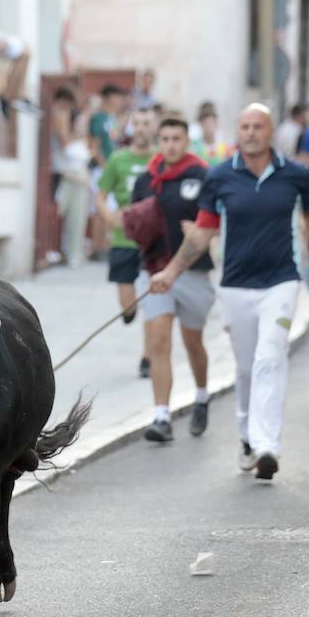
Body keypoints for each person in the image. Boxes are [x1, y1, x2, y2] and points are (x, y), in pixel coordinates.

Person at [149, 104, 309, 481]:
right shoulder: (220, 177)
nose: (250, 133)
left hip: (281, 281)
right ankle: (248, 438)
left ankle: (268, 445)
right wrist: (170, 271)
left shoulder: (294, 174)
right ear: (239, 131)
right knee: (247, 367)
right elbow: (201, 232)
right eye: (244, 126)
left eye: (258, 126)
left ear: (270, 132)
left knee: (270, 357)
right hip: (234, 285)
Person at [130, 118, 214, 442]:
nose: (170, 145)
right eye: (164, 138)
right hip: (153, 271)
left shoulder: (203, 175)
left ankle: (203, 395)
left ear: (186, 141)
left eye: (176, 138)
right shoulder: (146, 180)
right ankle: (161, 416)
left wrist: (205, 232)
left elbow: (217, 220)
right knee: (159, 342)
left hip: (193, 272)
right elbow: (135, 219)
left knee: (194, 342)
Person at [97, 107, 157, 376]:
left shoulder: (160, 158)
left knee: (153, 302)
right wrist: (108, 216)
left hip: (153, 240)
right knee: (128, 301)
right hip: (123, 237)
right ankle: (129, 311)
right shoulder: (118, 159)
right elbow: (100, 192)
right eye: (138, 123)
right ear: (132, 126)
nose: (142, 128)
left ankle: (148, 357)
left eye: (147, 123)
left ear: (154, 127)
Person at [54, 102, 92, 269]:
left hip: (82, 182)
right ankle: (58, 251)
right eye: (79, 123)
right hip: (68, 180)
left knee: (78, 219)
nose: (81, 127)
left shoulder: (85, 142)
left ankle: (74, 253)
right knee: (59, 216)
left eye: (84, 124)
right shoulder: (65, 139)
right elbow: (59, 163)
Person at [89, 84, 126, 164]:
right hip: (101, 167)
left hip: (112, 164)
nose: (120, 101)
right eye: (117, 97)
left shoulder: (113, 117)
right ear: (108, 98)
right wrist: (104, 167)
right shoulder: (98, 118)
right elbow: (94, 146)